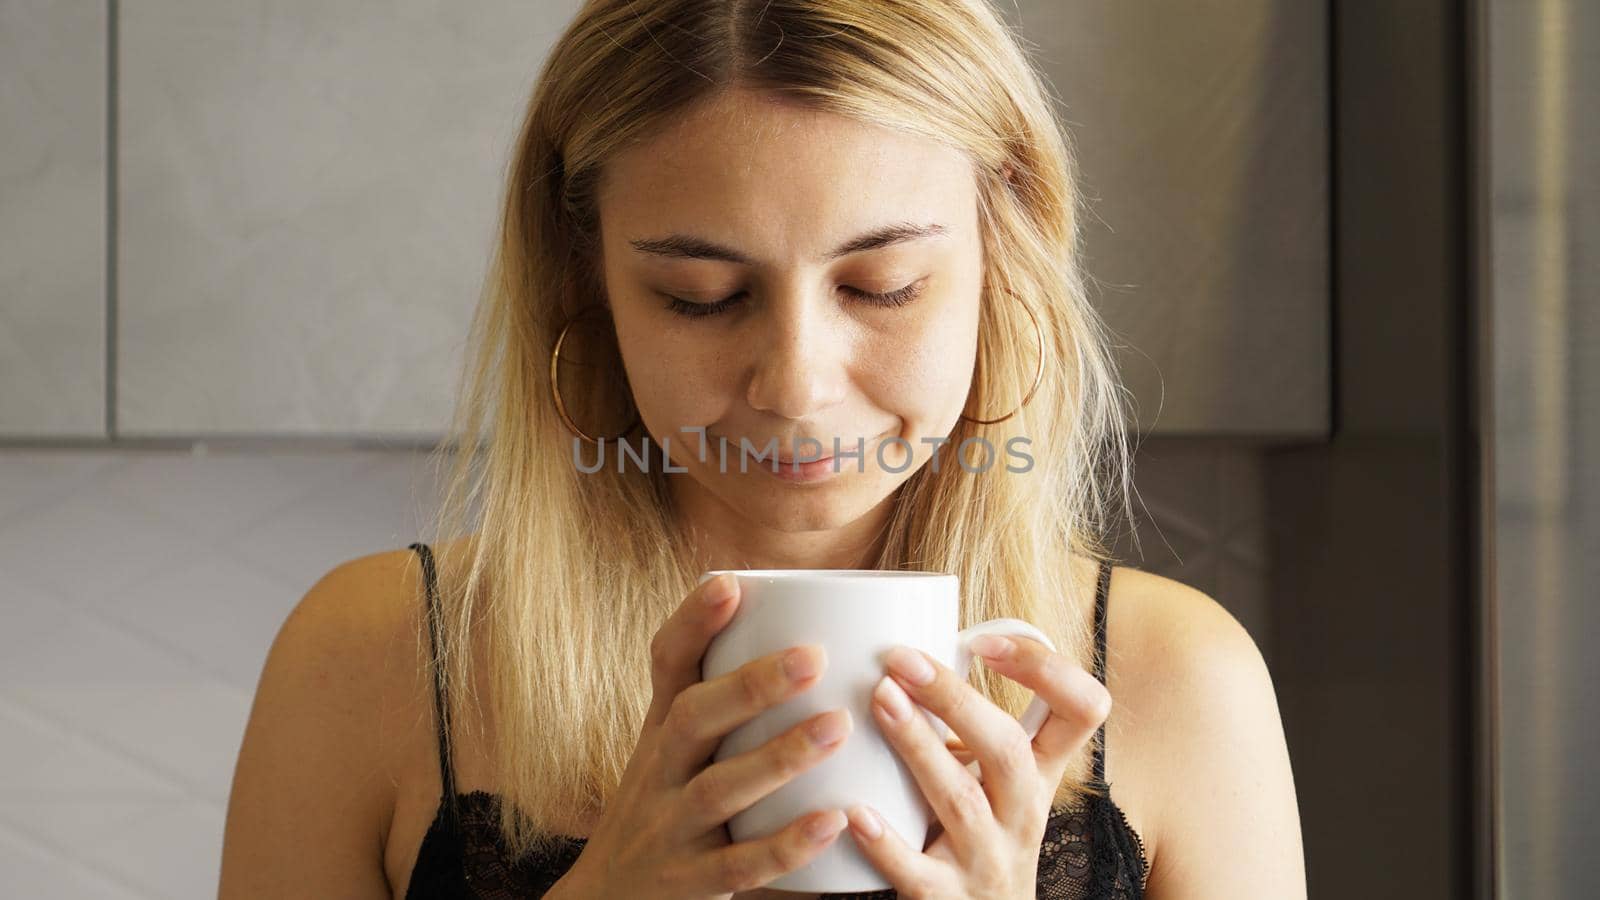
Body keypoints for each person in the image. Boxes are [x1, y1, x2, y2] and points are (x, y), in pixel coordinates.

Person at [219, 1, 1306, 897]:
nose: (794, 383)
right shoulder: (371, 665)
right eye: (701, 297)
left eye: (881, 287)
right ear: (584, 287)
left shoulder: (1175, 683)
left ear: (1003, 256)